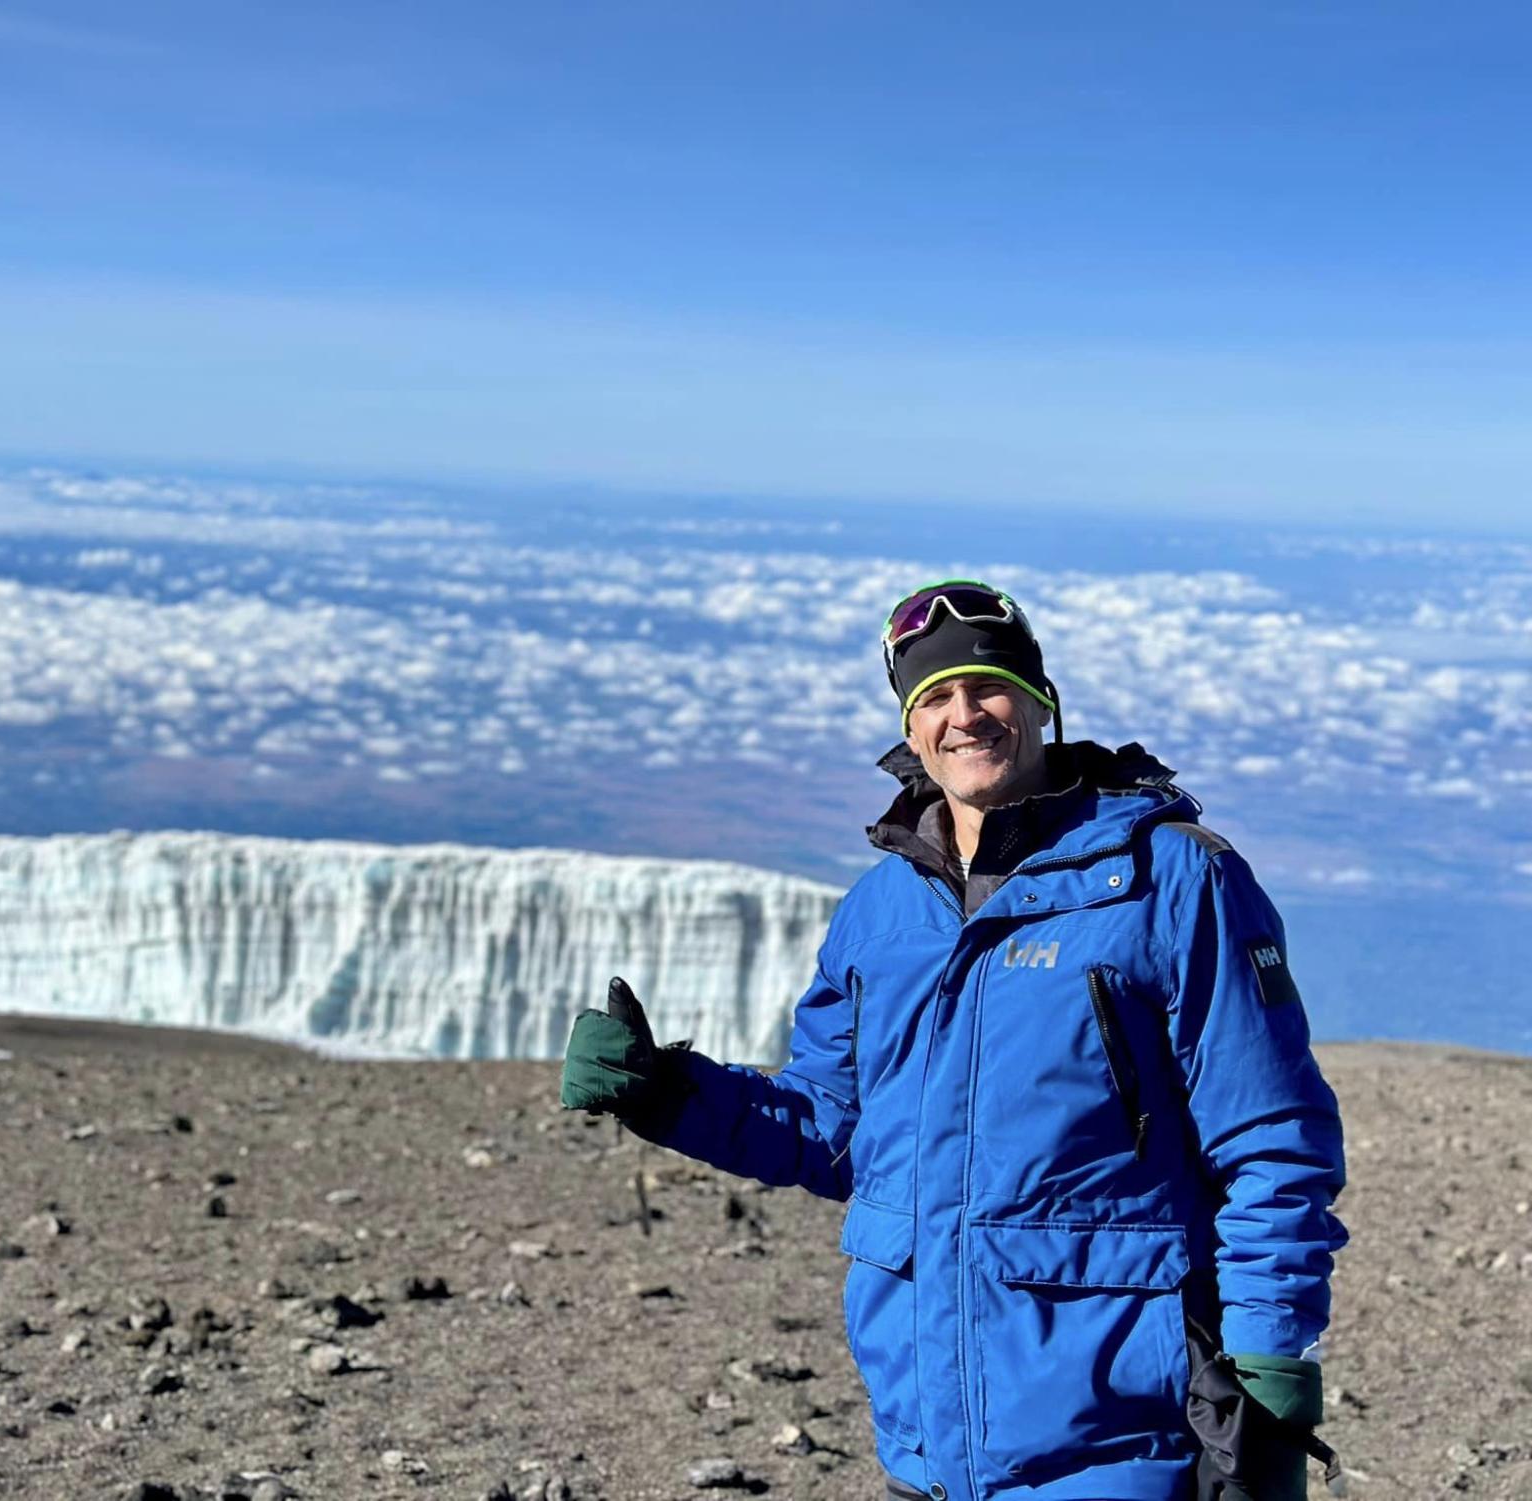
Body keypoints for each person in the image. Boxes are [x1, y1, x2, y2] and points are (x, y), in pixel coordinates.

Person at [560, 579, 1346, 1501]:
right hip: (926, 1441)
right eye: (933, 697)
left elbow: (1270, 1145)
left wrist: (1265, 1375)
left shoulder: (1170, 881)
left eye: (988, 687)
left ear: (1040, 702)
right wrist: (666, 1093)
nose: (964, 715)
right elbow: (835, 1129)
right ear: (909, 726)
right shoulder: (881, 913)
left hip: (1120, 1439)